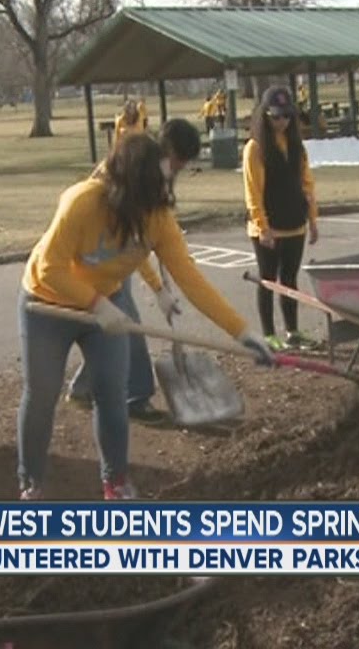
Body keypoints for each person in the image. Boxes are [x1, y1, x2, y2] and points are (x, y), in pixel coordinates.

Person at [18, 133, 274, 501]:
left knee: (111, 392)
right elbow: (49, 269)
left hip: (104, 300)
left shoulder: (158, 217)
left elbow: (193, 281)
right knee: (41, 394)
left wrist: (244, 332)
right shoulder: (82, 202)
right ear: (123, 188)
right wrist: (97, 306)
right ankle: (31, 482)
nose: (152, 207)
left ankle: (115, 481)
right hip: (46, 305)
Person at [66, 119, 204, 421]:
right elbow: (130, 242)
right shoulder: (128, 169)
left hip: (117, 253)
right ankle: (136, 395)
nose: (181, 167)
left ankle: (83, 387)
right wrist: (157, 288)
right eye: (180, 160)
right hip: (98, 257)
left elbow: (148, 232)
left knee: (114, 326)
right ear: (167, 150)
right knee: (125, 324)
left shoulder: (160, 168)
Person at [243, 86, 320, 351]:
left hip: (294, 225)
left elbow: (307, 185)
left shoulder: (296, 146)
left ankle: (293, 331)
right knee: (267, 280)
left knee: (290, 281)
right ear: (264, 116)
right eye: (276, 117)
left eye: (287, 116)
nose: (282, 122)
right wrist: (263, 227)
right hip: (269, 228)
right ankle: (268, 334)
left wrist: (313, 220)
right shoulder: (255, 148)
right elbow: (253, 192)